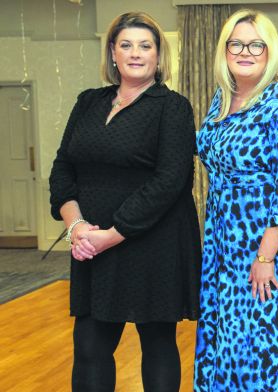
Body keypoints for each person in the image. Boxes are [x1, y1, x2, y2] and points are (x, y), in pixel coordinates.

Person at [49, 12, 201, 391]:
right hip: (92, 245)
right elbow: (63, 167)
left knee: (158, 343)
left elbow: (170, 181)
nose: (136, 53)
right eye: (126, 45)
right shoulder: (88, 102)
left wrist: (111, 234)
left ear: (158, 56)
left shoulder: (173, 107)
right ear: (113, 53)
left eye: (145, 46)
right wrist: (77, 227)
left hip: (153, 244)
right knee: (89, 346)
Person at [193, 9, 278, 391]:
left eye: (256, 44)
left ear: (270, 50)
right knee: (222, 348)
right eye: (237, 43)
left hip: (267, 248)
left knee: (262, 355)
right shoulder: (221, 99)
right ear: (225, 50)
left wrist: (265, 257)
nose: (246, 51)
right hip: (223, 245)